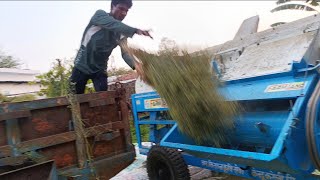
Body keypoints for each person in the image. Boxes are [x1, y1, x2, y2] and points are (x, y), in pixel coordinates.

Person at [70, 0, 151, 94]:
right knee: (73, 101)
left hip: (100, 70)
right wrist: (136, 31)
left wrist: (136, 65)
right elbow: (113, 24)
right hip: (82, 66)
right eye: (121, 9)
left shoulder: (122, 33)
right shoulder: (99, 16)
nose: (124, 13)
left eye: (126, 10)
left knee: (105, 101)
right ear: (112, 6)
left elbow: (125, 53)